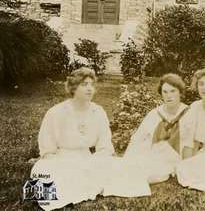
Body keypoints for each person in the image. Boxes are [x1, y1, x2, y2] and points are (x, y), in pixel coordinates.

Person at [30, 67, 150, 211]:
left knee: (126, 168)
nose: (90, 89)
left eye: (92, 85)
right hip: (62, 160)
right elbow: (48, 148)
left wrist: (97, 160)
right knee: (47, 173)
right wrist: (59, 162)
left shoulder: (98, 111)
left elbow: (104, 145)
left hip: (89, 159)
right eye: (84, 84)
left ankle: (85, 184)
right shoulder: (57, 112)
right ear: (73, 88)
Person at [124, 73, 189, 183]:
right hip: (156, 154)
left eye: (173, 91)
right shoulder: (155, 114)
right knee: (135, 170)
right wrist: (127, 159)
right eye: (165, 92)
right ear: (161, 94)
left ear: (180, 93)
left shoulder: (189, 113)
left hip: (179, 156)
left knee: (152, 173)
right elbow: (138, 138)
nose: (169, 96)